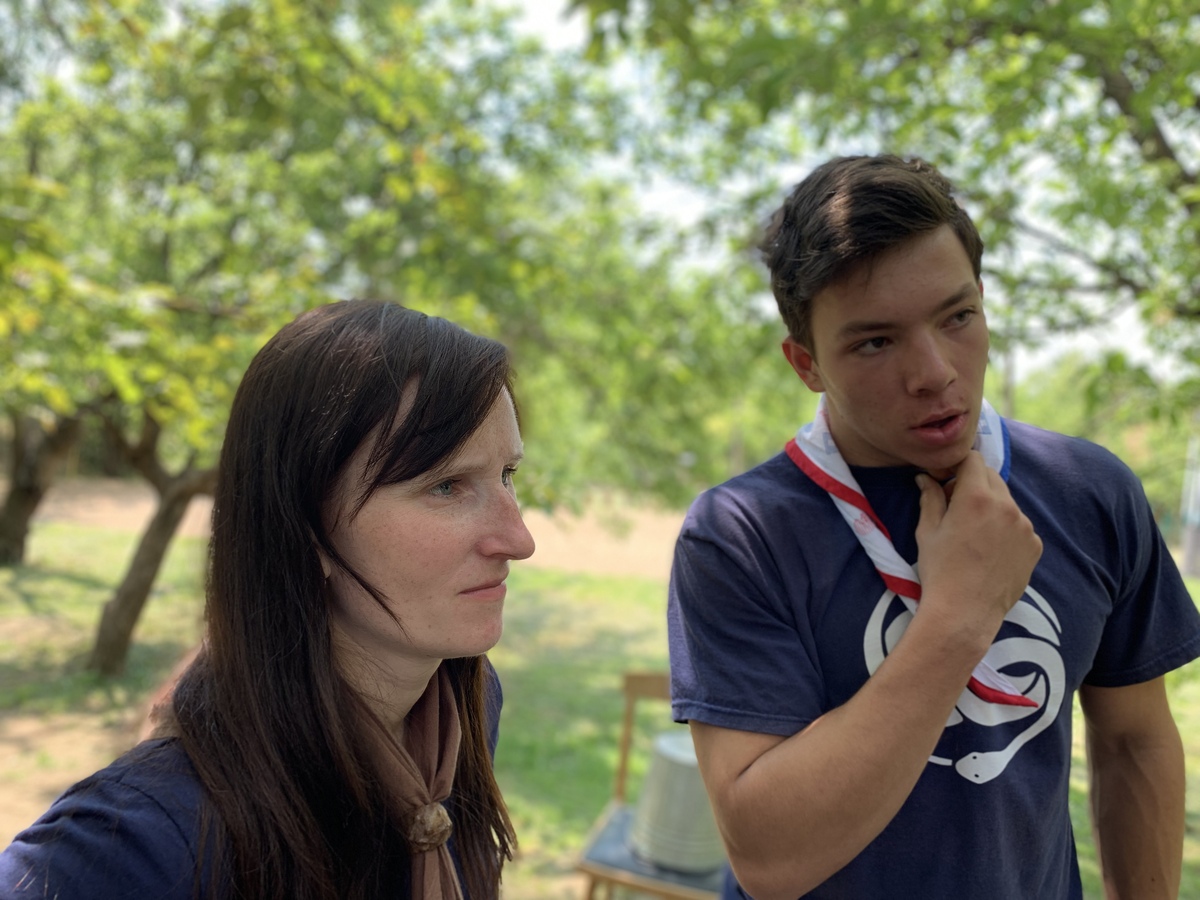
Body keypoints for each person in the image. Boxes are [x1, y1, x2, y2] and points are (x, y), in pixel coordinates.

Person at [667, 155, 1200, 899]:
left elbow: (1135, 742)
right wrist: (959, 616)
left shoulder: (1089, 491)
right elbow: (770, 858)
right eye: (875, 342)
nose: (935, 372)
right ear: (806, 363)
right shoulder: (740, 535)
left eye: (957, 318)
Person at [0, 299, 536, 900]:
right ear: (302, 529)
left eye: (507, 475)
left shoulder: (460, 712)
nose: (519, 541)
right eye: (446, 485)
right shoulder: (137, 845)